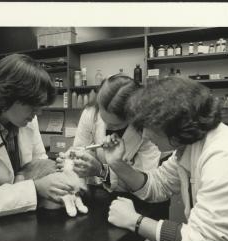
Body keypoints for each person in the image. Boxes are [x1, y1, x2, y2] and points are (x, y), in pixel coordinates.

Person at [107, 76, 228, 241]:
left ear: (174, 122)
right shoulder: (189, 147)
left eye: (149, 126)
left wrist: (134, 221)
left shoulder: (224, 156)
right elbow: (159, 185)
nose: (145, 135)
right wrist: (117, 164)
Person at [0, 53, 74, 219]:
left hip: (23, 216)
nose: (38, 112)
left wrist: (58, 174)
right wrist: (35, 187)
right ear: (7, 95)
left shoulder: (27, 121)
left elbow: (39, 163)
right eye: (33, 105)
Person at [57, 74, 170, 220]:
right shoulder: (91, 113)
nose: (109, 128)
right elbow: (79, 150)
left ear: (133, 117)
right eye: (104, 120)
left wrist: (101, 170)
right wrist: (72, 164)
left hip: (135, 203)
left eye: (116, 125)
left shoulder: (148, 131)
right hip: (96, 197)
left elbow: (144, 185)